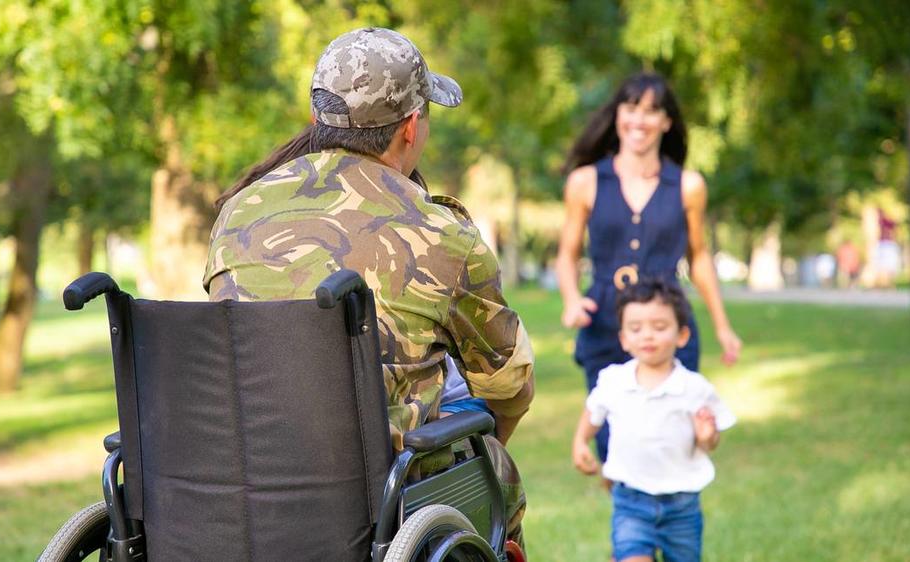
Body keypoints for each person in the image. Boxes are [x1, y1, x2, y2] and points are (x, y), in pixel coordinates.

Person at [204, 27, 533, 539]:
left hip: (237, 476)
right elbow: (509, 387)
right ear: (410, 127)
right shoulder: (441, 234)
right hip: (373, 493)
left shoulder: (238, 212)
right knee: (492, 467)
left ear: (317, 118)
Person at [555, 72, 742, 464]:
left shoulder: (689, 186)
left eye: (652, 111)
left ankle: (664, 520)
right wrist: (572, 300)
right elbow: (567, 254)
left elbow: (700, 256)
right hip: (605, 323)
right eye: (631, 108)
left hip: (667, 321)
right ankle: (630, 521)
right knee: (613, 445)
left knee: (672, 438)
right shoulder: (585, 181)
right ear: (618, 114)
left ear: (666, 122)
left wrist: (723, 326)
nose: (639, 120)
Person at [571, 279, 735, 562]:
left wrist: (708, 434)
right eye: (636, 329)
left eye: (659, 327)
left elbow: (710, 440)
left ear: (682, 335)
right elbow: (593, 410)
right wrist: (580, 442)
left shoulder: (695, 387)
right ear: (623, 338)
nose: (647, 336)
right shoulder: (614, 380)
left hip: (681, 505)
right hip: (630, 501)